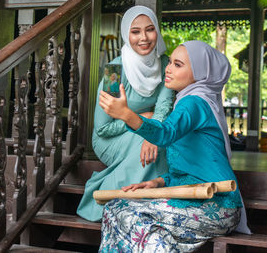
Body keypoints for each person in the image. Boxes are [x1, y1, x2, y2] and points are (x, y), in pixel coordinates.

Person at [98, 40, 250, 252]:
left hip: (218, 205)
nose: (168, 69)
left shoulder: (195, 102)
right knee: (118, 209)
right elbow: (190, 168)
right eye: (169, 62)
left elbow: (164, 133)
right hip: (193, 198)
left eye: (178, 65)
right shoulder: (188, 101)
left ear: (199, 72)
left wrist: (126, 114)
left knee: (130, 215)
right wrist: (159, 182)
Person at [76, 5, 174, 222]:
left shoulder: (166, 63)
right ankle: (109, 202)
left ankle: (147, 203)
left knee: (165, 143)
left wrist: (150, 130)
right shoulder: (115, 72)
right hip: (109, 139)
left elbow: (163, 107)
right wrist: (140, 121)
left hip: (147, 131)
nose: (144, 38)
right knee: (145, 144)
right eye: (135, 31)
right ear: (126, 35)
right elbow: (103, 128)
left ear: (157, 31)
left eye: (150, 29)